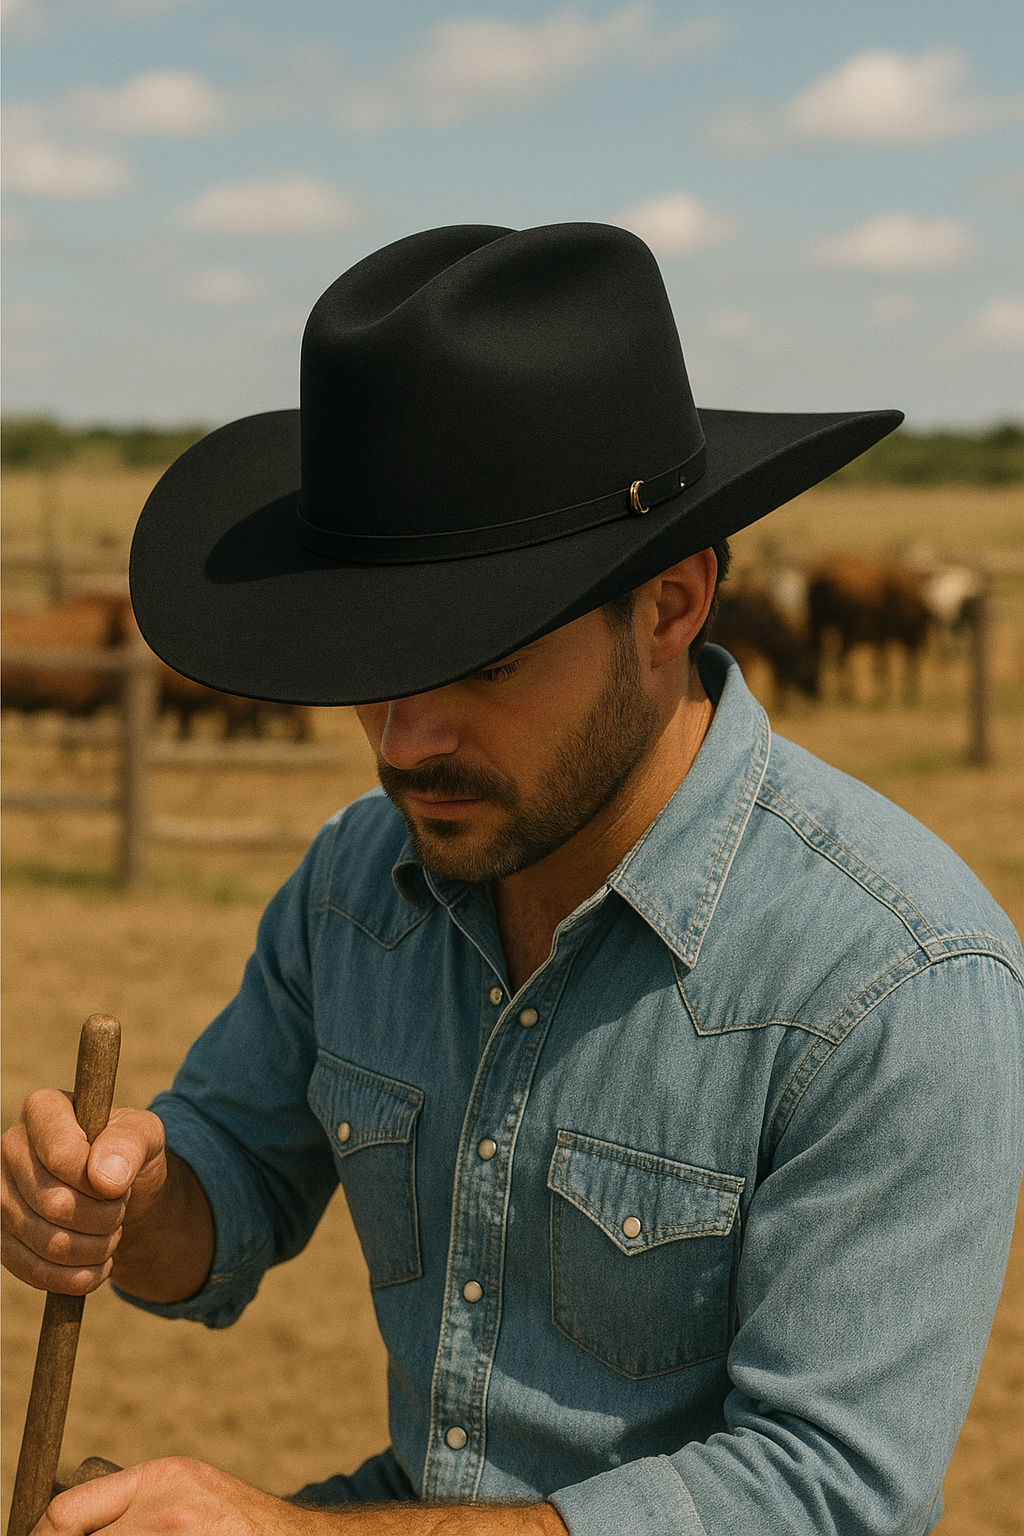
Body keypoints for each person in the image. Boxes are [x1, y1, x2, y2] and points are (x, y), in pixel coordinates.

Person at [3, 223, 1022, 1536]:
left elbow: (826, 1496)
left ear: (670, 605)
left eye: (484, 663)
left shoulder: (898, 976)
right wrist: (133, 1203)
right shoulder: (354, 888)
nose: (404, 739)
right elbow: (235, 1179)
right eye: (374, 658)